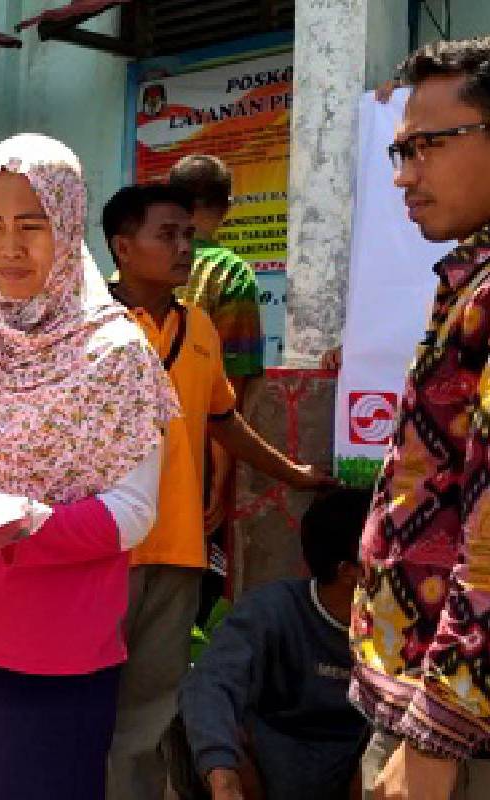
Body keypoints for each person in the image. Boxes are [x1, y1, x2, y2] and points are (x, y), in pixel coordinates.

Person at [0, 134, 180, 799]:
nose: (9, 247)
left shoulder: (116, 351)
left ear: (65, 227)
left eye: (31, 226)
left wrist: (13, 533)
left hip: (55, 646)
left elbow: (132, 513)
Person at [101, 184, 332, 800]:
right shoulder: (84, 328)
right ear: (123, 247)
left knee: (150, 714)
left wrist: (294, 473)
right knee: (87, 704)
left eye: (187, 234)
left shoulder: (198, 326)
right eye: (167, 235)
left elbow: (222, 420)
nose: (184, 247)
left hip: (177, 547)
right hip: (100, 549)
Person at [350, 37, 490, 800]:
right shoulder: (472, 276)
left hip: (460, 726)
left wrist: (436, 732)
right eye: (399, 151)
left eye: (426, 147)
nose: (405, 175)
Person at [175, 487, 372, 800]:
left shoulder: (406, 630)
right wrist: (223, 778)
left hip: (356, 768)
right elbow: (208, 684)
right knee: (212, 728)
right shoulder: (270, 609)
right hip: (273, 769)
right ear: (349, 572)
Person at [168, 155, 266, 618]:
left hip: (135, 453)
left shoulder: (130, 268)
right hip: (200, 454)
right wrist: (223, 474)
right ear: (226, 206)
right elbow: (232, 388)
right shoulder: (230, 274)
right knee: (194, 585)